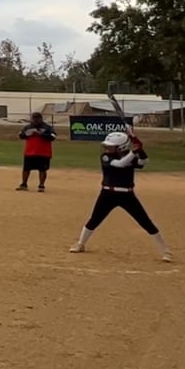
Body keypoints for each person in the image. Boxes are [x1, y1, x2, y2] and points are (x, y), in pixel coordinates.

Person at [70, 129, 173, 262]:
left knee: (145, 222)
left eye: (111, 146)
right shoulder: (106, 157)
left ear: (121, 147)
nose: (107, 148)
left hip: (127, 195)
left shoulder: (129, 156)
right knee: (94, 220)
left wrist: (140, 150)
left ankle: (165, 251)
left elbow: (144, 161)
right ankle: (80, 244)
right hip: (107, 194)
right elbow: (120, 164)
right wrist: (134, 151)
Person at [16, 112, 57, 192]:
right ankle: (24, 184)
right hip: (30, 152)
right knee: (26, 169)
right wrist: (29, 134)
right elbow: (21, 135)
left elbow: (53, 137)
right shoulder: (28, 127)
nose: (35, 120)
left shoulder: (48, 128)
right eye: (34, 118)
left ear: (41, 119)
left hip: (43, 153)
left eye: (37, 118)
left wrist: (41, 134)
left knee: (42, 170)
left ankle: (41, 185)